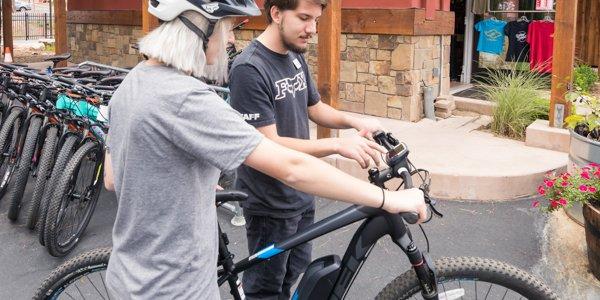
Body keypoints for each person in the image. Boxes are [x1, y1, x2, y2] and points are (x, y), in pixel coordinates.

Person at [103, 0, 427, 298]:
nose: (230, 40)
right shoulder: (186, 98)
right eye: (226, 28)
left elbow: (114, 178)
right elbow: (291, 168)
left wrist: (193, 179)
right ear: (199, 28)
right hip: (176, 288)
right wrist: (389, 199)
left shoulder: (133, 83)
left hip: (130, 278)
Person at [228, 0, 396, 298]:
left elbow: (315, 108)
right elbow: (269, 144)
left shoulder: (294, 54)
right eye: (304, 18)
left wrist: (355, 120)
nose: (312, 29)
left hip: (302, 194)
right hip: (270, 202)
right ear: (276, 13)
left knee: (293, 273)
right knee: (266, 288)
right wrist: (336, 145)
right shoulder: (249, 68)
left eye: (316, 20)